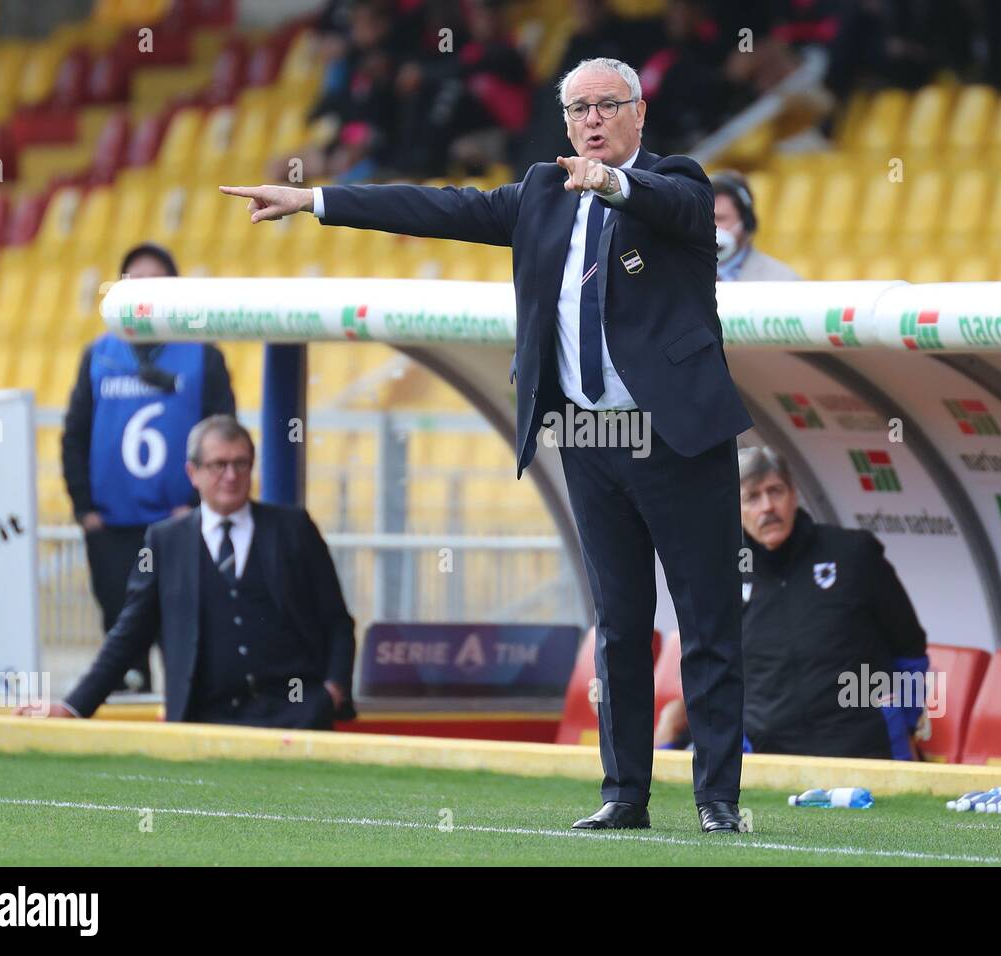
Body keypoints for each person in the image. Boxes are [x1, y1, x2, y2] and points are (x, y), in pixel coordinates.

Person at [218, 56, 753, 833]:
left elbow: (674, 207)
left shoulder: (680, 182)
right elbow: (439, 208)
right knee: (619, 626)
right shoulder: (540, 193)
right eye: (578, 109)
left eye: (608, 105)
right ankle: (625, 794)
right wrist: (316, 200)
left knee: (707, 625)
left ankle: (717, 801)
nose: (593, 120)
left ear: (640, 112)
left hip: (677, 440)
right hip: (590, 438)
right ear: (564, 121)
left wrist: (612, 185)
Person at [20, 416, 357, 729]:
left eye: (241, 463)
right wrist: (73, 706)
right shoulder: (164, 541)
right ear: (192, 472)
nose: (231, 475)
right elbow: (130, 632)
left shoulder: (294, 528)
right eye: (218, 465)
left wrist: (332, 691)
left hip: (296, 715)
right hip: (203, 719)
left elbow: (336, 620)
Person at [61, 242, 235, 693]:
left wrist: (199, 505)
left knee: (186, 642)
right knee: (123, 655)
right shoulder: (98, 355)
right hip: (112, 531)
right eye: (133, 283)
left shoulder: (202, 355)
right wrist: (86, 511)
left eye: (155, 284)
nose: (143, 293)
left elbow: (226, 433)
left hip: (180, 528)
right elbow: (75, 435)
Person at [735, 446, 928, 758]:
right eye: (752, 498)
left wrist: (902, 721)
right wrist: (742, 739)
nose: (768, 506)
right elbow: (716, 669)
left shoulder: (853, 553)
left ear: (794, 495)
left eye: (775, 491)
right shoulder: (723, 575)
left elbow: (910, 648)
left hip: (867, 749)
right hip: (772, 758)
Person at [710, 170, 801, 281]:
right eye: (702, 218)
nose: (708, 226)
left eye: (720, 219)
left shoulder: (784, 281)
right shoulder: (683, 274)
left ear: (746, 222)